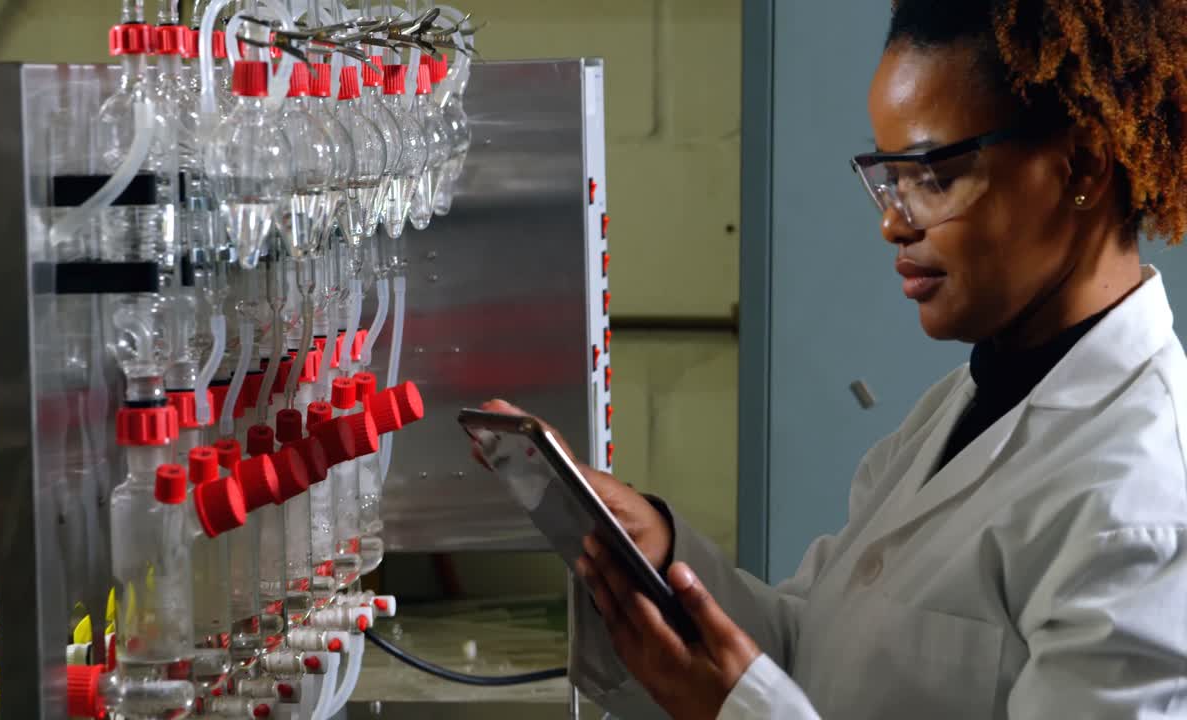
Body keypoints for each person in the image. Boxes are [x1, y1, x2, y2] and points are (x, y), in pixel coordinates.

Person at [479, 1, 1187, 717]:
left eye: (932, 178)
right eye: (888, 177)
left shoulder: (1143, 503)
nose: (891, 220)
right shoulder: (966, 405)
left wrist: (735, 711)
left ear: (1084, 165)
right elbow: (811, 652)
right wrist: (661, 552)